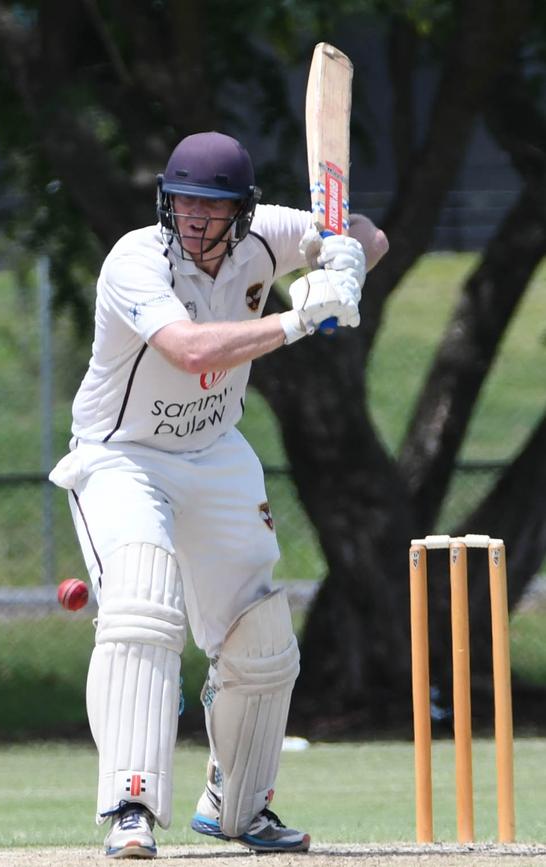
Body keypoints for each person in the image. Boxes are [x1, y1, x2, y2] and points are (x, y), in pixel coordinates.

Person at [49, 131, 388, 859]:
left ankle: (237, 807)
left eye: (216, 209)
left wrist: (349, 259)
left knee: (262, 640)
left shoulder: (266, 237)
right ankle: (131, 806)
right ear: (167, 204)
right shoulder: (135, 260)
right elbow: (191, 352)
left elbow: (364, 231)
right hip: (123, 456)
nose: (200, 222)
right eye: (187, 206)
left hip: (216, 451)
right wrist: (302, 317)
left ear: (244, 209)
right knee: (143, 604)